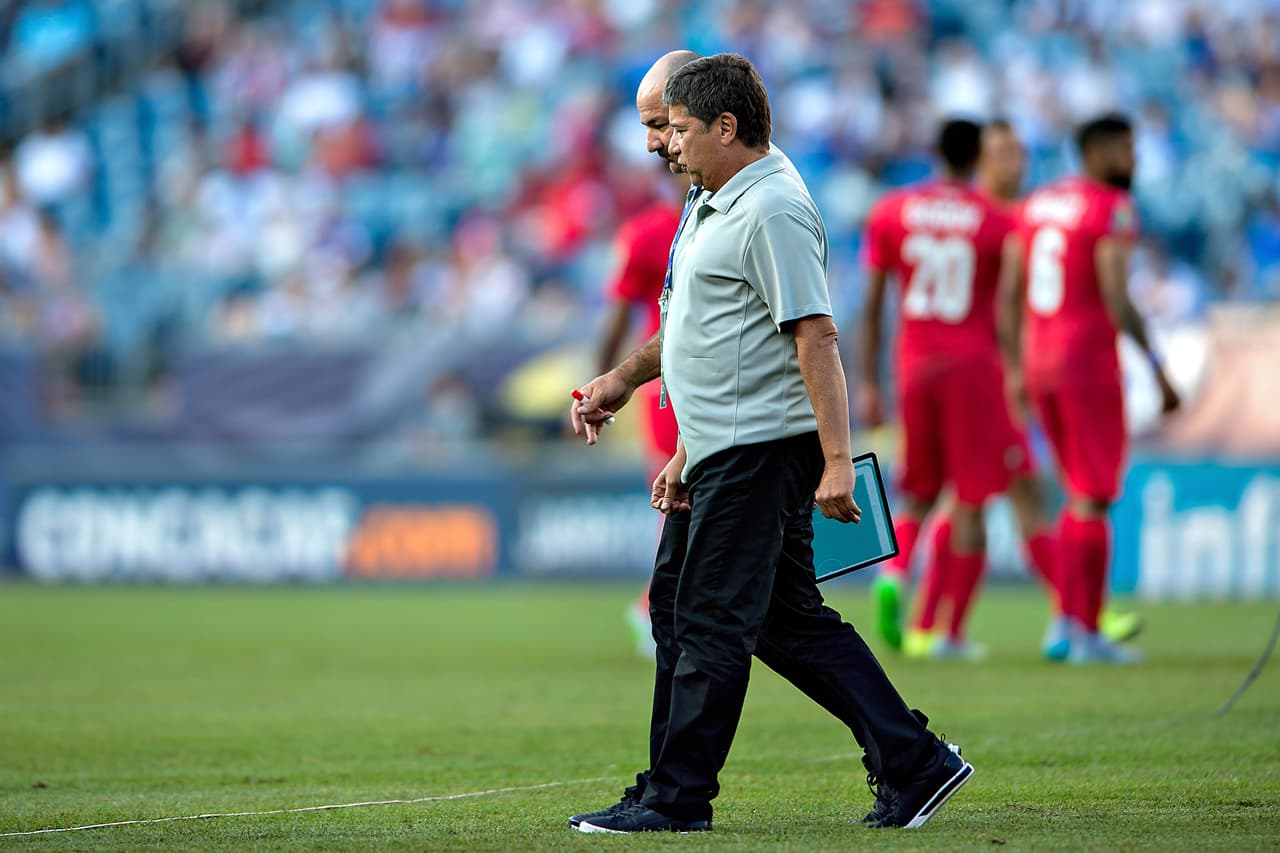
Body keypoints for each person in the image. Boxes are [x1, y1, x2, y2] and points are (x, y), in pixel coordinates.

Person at [568, 53, 971, 834]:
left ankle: (676, 797)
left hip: (759, 450)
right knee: (774, 618)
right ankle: (916, 761)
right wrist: (650, 407)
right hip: (722, 445)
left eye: (675, 128)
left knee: (706, 621)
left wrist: (832, 459)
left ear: (725, 125)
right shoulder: (711, 196)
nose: (667, 146)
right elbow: (706, 331)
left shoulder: (773, 207)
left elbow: (814, 335)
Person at [858, 119, 1046, 661]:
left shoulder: (893, 210)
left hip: (913, 365)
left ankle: (893, 572)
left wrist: (870, 378)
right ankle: (948, 634)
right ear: (978, 159)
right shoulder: (999, 221)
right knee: (970, 499)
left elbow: (873, 303)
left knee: (918, 491)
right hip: (974, 368)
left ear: (935, 152)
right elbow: (1009, 309)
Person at [999, 113, 1181, 664]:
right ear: (1096, 153)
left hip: (1041, 360)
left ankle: (1063, 624)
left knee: (1077, 490)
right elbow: (1117, 296)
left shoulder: (1035, 205)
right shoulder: (1113, 208)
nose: (1135, 160)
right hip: (1087, 361)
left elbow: (1009, 293)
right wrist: (1158, 368)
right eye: (1125, 149)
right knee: (1093, 494)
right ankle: (1086, 632)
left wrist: (1015, 366)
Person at [595, 52, 694, 658]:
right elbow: (616, 317)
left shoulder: (661, 229)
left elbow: (615, 319)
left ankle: (659, 606)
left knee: (686, 506)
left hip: (678, 385)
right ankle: (655, 607)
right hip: (668, 386)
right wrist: (603, 381)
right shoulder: (659, 232)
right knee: (678, 503)